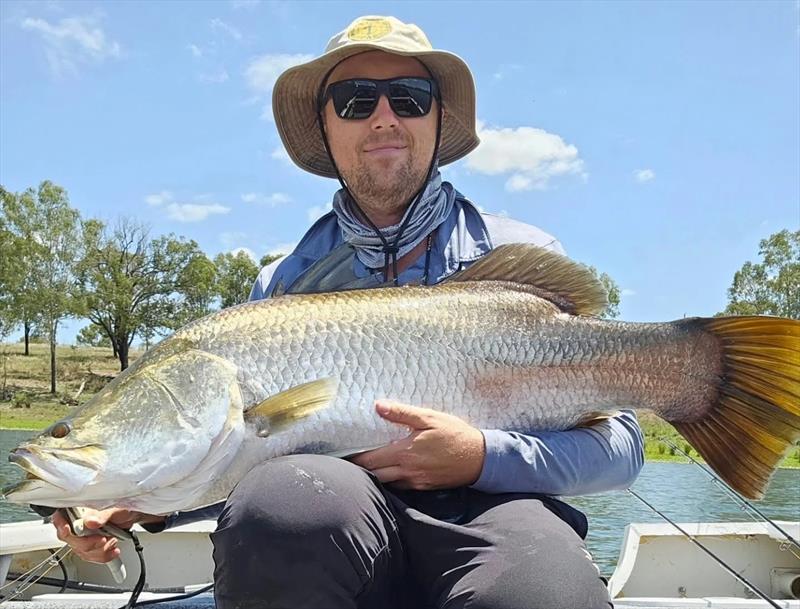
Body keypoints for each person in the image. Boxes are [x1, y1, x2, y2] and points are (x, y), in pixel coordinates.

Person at [54, 15, 644, 609]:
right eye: (355, 100)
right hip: (334, 506)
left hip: (499, 507)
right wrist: (139, 499)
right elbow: (244, 455)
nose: (384, 116)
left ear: (438, 119)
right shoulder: (281, 286)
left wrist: (480, 456)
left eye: (409, 97)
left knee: (540, 591)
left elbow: (621, 448)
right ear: (326, 127)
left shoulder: (521, 259)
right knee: (280, 506)